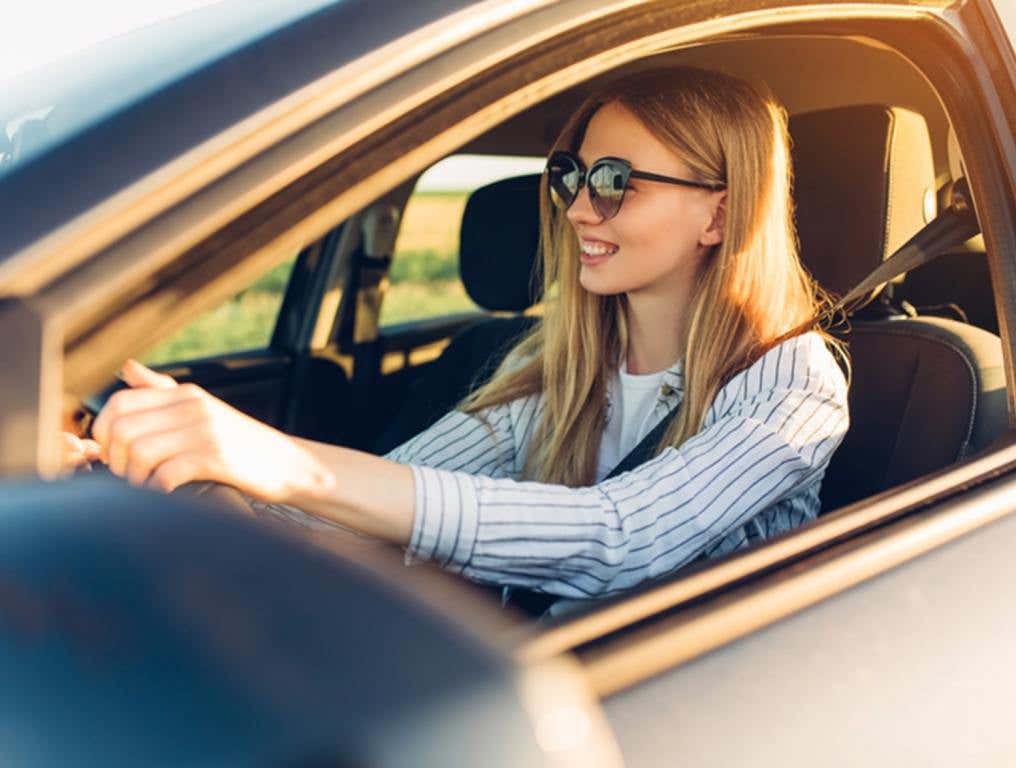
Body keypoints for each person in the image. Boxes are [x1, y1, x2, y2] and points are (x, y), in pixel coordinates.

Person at [81, 67, 850, 602]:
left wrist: (271, 456)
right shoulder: (555, 361)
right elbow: (368, 508)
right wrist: (133, 465)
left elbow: (623, 537)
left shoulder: (791, 383)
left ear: (719, 213)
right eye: (572, 178)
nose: (580, 208)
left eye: (616, 182)